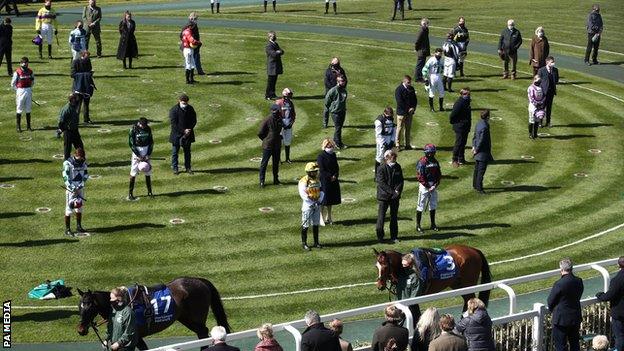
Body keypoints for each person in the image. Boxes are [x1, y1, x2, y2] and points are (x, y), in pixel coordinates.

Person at [547, 258, 584, 351]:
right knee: (575, 344)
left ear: (561, 269)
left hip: (561, 320)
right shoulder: (578, 280)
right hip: (575, 317)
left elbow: (550, 301)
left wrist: (554, 310)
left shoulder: (559, 283)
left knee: (561, 346)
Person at [595, 256, 624, 351]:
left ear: (618, 265)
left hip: (620, 314)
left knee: (619, 336)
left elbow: (608, 296)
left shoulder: (617, 280)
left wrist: (600, 295)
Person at [375, 149, 404, 243]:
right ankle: (380, 237)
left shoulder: (398, 166)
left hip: (394, 197)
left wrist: (397, 190)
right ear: (387, 158)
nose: (395, 157)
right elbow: (381, 183)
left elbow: (400, 181)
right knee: (381, 217)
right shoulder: (381, 168)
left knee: (394, 217)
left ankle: (394, 236)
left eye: (395, 156)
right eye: (393, 156)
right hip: (384, 197)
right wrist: (393, 192)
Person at [62, 147, 88, 237]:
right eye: (80, 157)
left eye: (82, 157)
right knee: (69, 208)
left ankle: (78, 226)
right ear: (75, 155)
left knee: (79, 206)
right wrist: (72, 187)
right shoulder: (67, 163)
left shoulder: (84, 162)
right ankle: (68, 229)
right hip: (71, 190)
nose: (81, 159)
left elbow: (85, 175)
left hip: (80, 188)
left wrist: (81, 185)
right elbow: (65, 177)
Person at [415, 143, 441, 233]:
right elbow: (420, 176)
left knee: (433, 205)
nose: (430, 155)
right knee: (420, 206)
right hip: (424, 187)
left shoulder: (435, 162)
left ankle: (433, 224)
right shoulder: (422, 162)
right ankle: (418, 226)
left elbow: (438, 175)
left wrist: (434, 185)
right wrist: (427, 186)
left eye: (432, 153)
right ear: (426, 153)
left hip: (433, 186)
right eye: (429, 153)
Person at [169, 94, 197, 175]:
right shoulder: (174, 110)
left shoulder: (190, 108)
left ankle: (188, 167)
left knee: (187, 152)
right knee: (175, 153)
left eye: (185, 103)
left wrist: (189, 129)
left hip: (188, 134)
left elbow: (194, 120)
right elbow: (174, 124)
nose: (184, 104)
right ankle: (175, 168)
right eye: (183, 102)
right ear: (179, 101)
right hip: (176, 134)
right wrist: (183, 131)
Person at [299, 162, 324, 251]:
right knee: (305, 225)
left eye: (316, 171)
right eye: (314, 171)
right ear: (309, 172)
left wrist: (319, 200)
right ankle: (304, 243)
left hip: (316, 205)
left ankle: (316, 242)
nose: (316, 173)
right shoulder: (303, 181)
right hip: (308, 206)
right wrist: (312, 203)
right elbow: (303, 194)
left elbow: (321, 191)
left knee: (316, 224)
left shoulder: (317, 180)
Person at [128, 117, 154, 200]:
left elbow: (151, 142)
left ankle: (149, 192)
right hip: (137, 151)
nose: (144, 127)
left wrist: (148, 154)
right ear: (139, 123)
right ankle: (130, 193)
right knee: (133, 172)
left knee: (148, 172)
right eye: (142, 125)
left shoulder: (148, 129)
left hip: (146, 150)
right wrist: (138, 155)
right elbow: (131, 143)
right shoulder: (133, 129)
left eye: (145, 125)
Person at [258, 104, 283, 187]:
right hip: (268, 146)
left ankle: (276, 179)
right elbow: (260, 133)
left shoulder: (279, 119)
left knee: (276, 163)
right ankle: (262, 181)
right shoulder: (267, 119)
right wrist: (266, 139)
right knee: (264, 164)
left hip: (277, 145)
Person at [317, 138, 341, 224]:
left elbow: (336, 167)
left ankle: (329, 217)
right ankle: (321, 218)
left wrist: (335, 175)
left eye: (331, 145)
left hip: (333, 180)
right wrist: (330, 176)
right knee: (323, 200)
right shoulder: (321, 156)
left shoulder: (333, 155)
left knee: (330, 200)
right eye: (329, 145)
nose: (330, 147)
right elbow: (321, 169)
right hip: (324, 181)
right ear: (325, 146)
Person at [71, 50, 95, 124]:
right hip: (78, 86)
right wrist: (85, 75)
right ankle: (75, 120)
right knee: (78, 104)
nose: (88, 59)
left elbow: (89, 70)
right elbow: (72, 74)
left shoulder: (88, 61)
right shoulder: (75, 62)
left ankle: (86, 119)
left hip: (87, 86)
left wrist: (90, 73)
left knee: (86, 104)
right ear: (82, 55)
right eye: (87, 57)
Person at [58, 93, 84, 160]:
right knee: (67, 149)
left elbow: (79, 100)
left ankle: (82, 161)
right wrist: (61, 129)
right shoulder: (66, 109)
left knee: (80, 147)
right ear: (72, 100)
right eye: (75, 98)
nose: (76, 100)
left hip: (75, 130)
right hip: (68, 132)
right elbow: (61, 122)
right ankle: (66, 163)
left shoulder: (74, 105)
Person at [472, 110, 493, 195]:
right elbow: (482, 140)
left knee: (477, 170)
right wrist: (477, 149)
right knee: (481, 171)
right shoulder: (485, 126)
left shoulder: (479, 123)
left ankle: (475, 185)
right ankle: (479, 188)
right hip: (482, 152)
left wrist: (474, 146)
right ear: (487, 117)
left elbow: (475, 136)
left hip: (478, 151)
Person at [11, 56, 34, 132]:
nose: (24, 64)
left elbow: (33, 81)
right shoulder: (17, 72)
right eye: (23, 63)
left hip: (28, 90)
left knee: (28, 108)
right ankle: (18, 127)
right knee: (19, 108)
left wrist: (29, 89)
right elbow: (13, 84)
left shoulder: (30, 71)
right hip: (20, 90)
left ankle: (29, 126)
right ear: (20, 63)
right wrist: (18, 90)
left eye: (26, 63)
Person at [449, 87, 471, 166]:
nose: (467, 95)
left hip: (465, 126)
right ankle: (454, 159)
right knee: (458, 143)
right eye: (465, 94)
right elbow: (452, 115)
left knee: (463, 143)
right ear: (461, 94)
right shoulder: (459, 103)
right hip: (460, 126)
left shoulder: (467, 101)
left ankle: (461, 159)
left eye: (468, 94)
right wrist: (456, 123)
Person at [324, 75, 348, 148]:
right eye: (342, 81)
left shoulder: (344, 90)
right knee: (338, 128)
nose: (344, 82)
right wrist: (332, 108)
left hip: (342, 111)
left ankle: (335, 141)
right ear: (338, 82)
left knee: (339, 127)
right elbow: (327, 101)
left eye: (344, 81)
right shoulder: (333, 90)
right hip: (335, 112)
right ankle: (338, 144)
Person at [394, 75, 417, 151]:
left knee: (408, 129)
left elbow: (415, 100)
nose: (410, 84)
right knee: (399, 128)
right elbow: (399, 102)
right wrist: (408, 109)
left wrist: (413, 108)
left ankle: (407, 144)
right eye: (408, 82)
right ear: (404, 81)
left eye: (410, 82)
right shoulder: (399, 89)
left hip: (409, 113)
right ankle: (397, 144)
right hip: (401, 113)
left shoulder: (411, 89)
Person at [537, 56, 559, 128]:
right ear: (547, 62)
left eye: (553, 62)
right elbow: (538, 81)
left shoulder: (555, 70)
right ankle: (540, 122)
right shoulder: (541, 70)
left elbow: (556, 80)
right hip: (543, 92)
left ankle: (548, 122)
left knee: (549, 107)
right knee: (542, 107)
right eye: (552, 62)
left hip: (551, 92)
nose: (553, 63)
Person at [276, 88, 296, 163]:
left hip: (288, 125)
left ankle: (287, 158)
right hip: (280, 126)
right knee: (279, 143)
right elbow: (275, 115)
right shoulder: (278, 103)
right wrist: (281, 124)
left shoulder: (290, 103)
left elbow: (293, 114)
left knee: (288, 142)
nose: (290, 97)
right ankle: (278, 159)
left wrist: (291, 123)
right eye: (289, 96)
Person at [422, 48, 445, 112]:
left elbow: (443, 68)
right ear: (435, 53)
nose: (439, 55)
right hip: (432, 76)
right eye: (438, 53)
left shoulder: (442, 60)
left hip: (439, 76)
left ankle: (441, 107)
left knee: (441, 92)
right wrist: (426, 79)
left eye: (441, 54)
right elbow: (424, 69)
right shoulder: (431, 60)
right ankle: (431, 108)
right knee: (431, 93)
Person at [374, 107, 396, 174]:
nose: (390, 118)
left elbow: (394, 130)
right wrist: (383, 143)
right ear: (384, 113)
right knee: (380, 157)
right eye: (388, 116)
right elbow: (378, 134)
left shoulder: (391, 119)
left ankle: (387, 173)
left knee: (389, 156)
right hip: (382, 140)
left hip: (389, 138)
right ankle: (377, 175)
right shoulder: (379, 121)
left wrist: (392, 140)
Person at [265, 31, 283, 100]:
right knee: (270, 82)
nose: (275, 37)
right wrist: (278, 52)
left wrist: (278, 51)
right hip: (272, 66)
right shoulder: (269, 45)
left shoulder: (275, 44)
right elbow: (273, 54)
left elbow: (282, 51)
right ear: (269, 37)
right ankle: (268, 95)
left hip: (275, 66)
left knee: (274, 81)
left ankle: (272, 94)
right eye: (273, 36)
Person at [527, 75, 545, 139]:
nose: (539, 82)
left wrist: (541, 103)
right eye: (538, 81)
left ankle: (535, 134)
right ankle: (530, 134)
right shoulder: (530, 88)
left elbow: (543, 96)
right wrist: (536, 103)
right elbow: (531, 98)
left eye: (540, 81)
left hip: (539, 105)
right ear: (534, 80)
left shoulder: (541, 87)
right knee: (532, 120)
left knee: (537, 120)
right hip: (533, 106)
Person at [413, 18, 430, 82]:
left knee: (422, 64)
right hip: (421, 51)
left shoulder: (426, 30)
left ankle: (419, 77)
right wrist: (416, 49)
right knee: (419, 65)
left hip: (424, 50)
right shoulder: (422, 31)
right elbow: (417, 41)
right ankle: (418, 78)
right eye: (424, 24)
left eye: (426, 24)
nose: (425, 25)